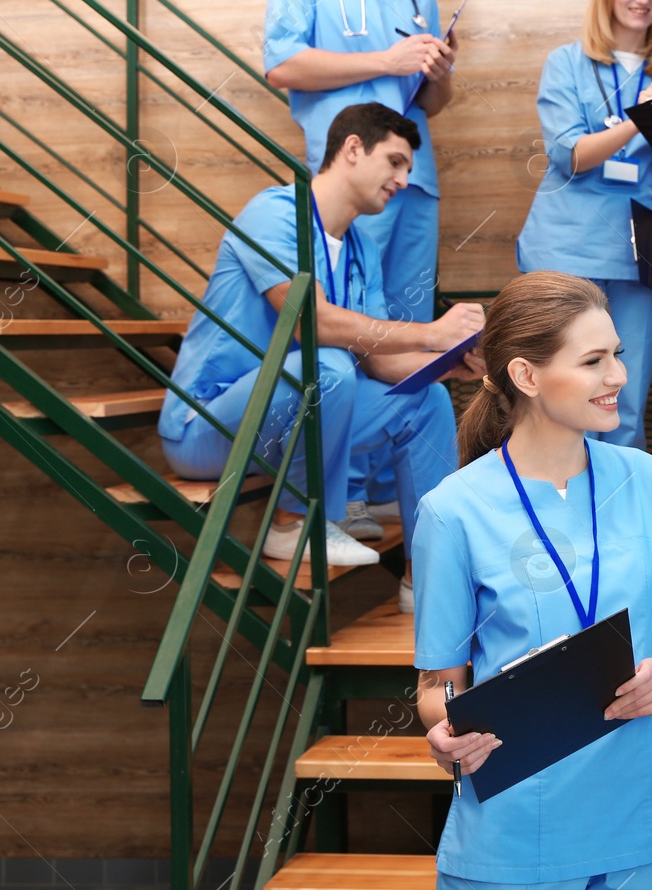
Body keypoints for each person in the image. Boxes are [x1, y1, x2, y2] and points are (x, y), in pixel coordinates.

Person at [414, 272, 652, 887]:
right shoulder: (451, 512)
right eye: (594, 361)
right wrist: (444, 733)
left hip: (646, 816)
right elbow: (436, 687)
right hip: (516, 824)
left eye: (617, 356)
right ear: (527, 376)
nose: (618, 378)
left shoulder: (651, 482)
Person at [159, 103, 485, 611]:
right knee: (327, 366)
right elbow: (312, 322)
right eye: (395, 162)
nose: (403, 180)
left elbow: (376, 360)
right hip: (206, 424)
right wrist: (432, 331)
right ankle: (292, 523)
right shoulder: (274, 212)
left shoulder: (360, 249)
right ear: (353, 149)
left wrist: (444, 360)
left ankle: (426, 583)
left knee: (427, 401)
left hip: (293, 420)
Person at [263, 0, 456, 536]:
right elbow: (282, 64)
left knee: (403, 332)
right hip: (352, 187)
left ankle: (379, 490)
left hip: (414, 182)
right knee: (347, 333)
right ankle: (336, 494)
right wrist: (388, 58)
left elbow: (428, 103)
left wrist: (435, 69)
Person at [515, 0, 652, 449]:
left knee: (624, 404)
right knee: (561, 398)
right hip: (566, 246)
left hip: (644, 254)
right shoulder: (566, 64)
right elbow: (569, 154)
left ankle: (617, 528)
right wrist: (645, 119)